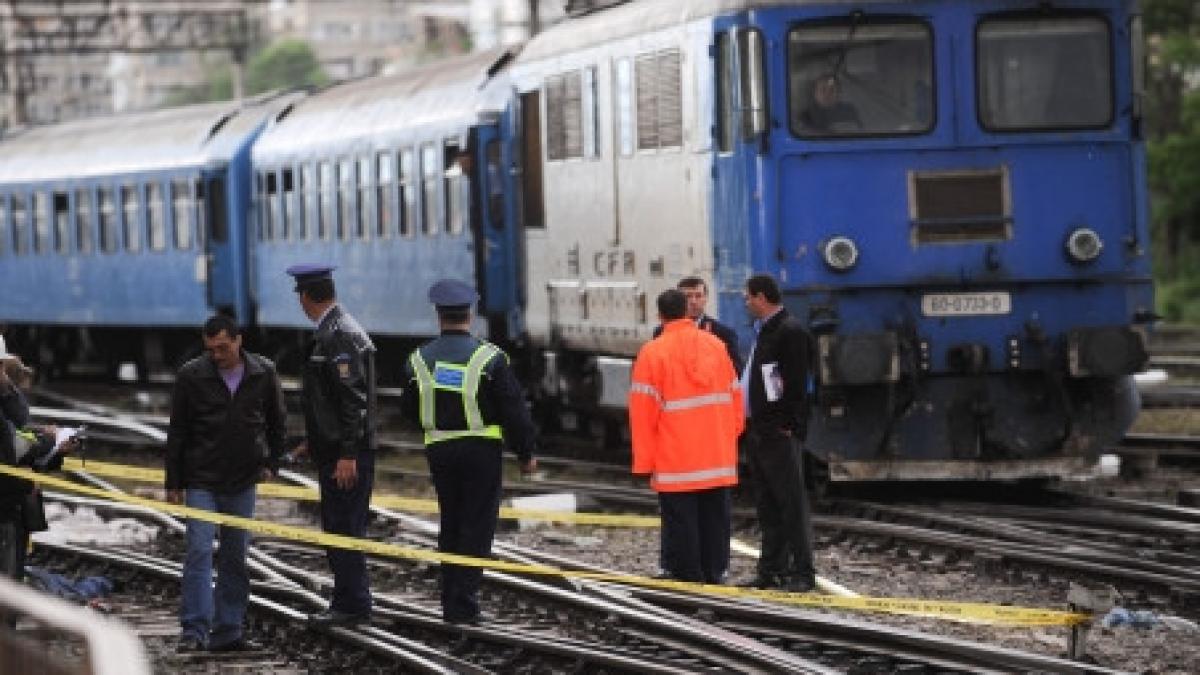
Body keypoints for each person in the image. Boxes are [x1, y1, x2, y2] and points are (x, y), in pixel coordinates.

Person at [400, 279, 537, 624]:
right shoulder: (490, 358)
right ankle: (464, 603)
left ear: (438, 315)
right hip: (480, 452)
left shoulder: (418, 360)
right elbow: (514, 411)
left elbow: (407, 410)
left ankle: (451, 600)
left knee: (451, 520)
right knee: (476, 524)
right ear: (471, 315)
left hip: (439, 451)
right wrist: (525, 453)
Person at [164, 314, 287, 653]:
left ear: (238, 341)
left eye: (223, 348)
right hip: (202, 479)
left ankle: (228, 630)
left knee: (235, 556)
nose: (217, 355)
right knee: (199, 551)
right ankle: (194, 630)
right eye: (210, 350)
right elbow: (178, 431)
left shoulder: (263, 373)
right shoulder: (191, 375)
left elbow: (277, 421)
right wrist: (173, 482)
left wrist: (273, 462)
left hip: (243, 480)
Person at [286, 263, 378, 627]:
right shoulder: (338, 329)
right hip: (338, 448)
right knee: (341, 524)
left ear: (307, 297)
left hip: (346, 454)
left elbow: (352, 399)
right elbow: (333, 401)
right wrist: (314, 440)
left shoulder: (337, 335)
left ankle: (352, 604)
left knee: (344, 526)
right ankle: (348, 599)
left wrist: (347, 453)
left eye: (300, 295)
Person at [630, 290, 743, 584]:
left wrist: (645, 463)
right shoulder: (716, 346)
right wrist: (728, 437)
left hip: (676, 461)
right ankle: (715, 574)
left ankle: (688, 579)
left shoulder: (652, 353)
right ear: (686, 311)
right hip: (717, 457)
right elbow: (735, 397)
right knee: (715, 520)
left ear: (660, 316)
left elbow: (643, 415)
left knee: (682, 524)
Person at [740, 274, 818, 592]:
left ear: (761, 297)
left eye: (748, 297)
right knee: (768, 504)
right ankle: (772, 569)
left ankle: (803, 572)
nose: (746, 303)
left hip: (777, 432)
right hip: (760, 429)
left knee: (790, 504)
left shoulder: (790, 332)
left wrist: (789, 424)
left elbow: (798, 385)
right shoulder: (766, 331)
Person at [0, 341, 76, 595]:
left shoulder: (8, 400)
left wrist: (54, 449)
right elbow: (14, 448)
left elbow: (22, 434)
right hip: (6, 503)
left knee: (12, 578)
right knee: (8, 584)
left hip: (13, 501)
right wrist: (50, 442)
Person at [653, 276, 741, 372]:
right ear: (679, 301)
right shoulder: (661, 332)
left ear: (706, 298)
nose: (693, 301)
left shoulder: (724, 333)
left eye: (698, 296)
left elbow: (735, 370)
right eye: (688, 296)